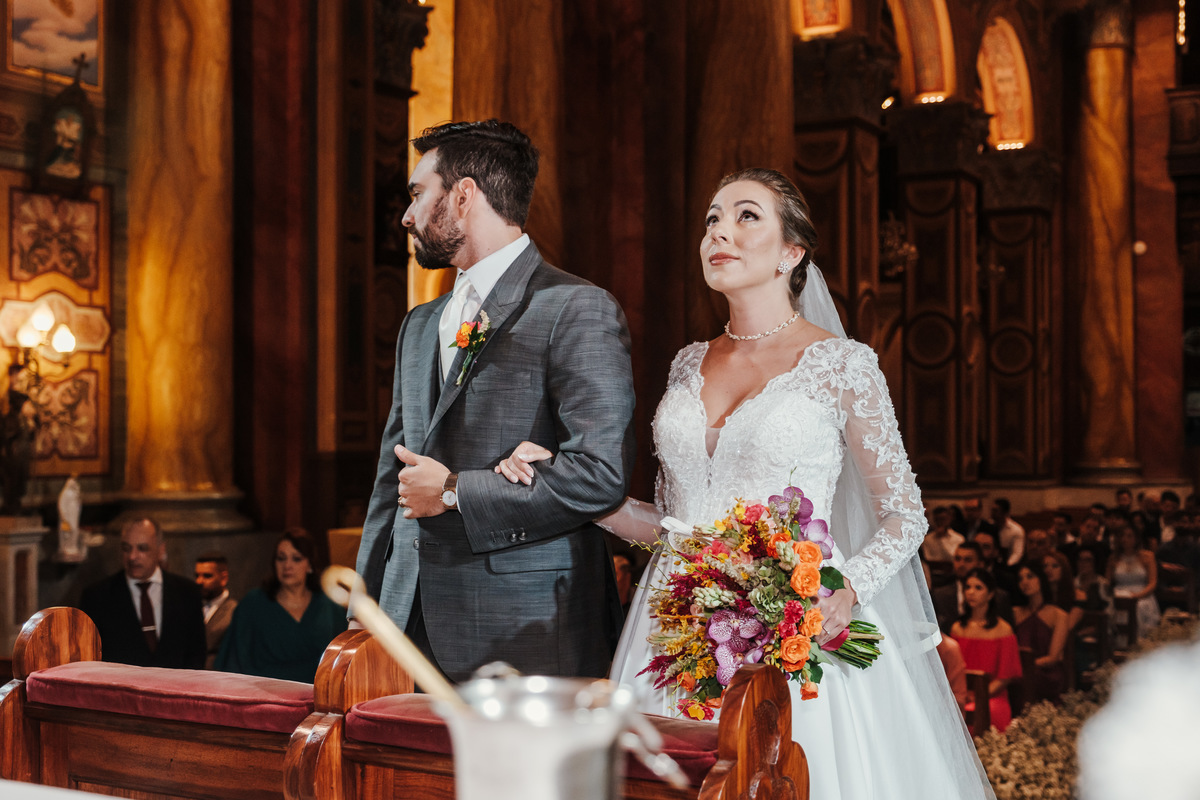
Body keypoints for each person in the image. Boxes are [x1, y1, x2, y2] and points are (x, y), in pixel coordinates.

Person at [499, 169, 993, 798]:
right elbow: (671, 526)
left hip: (796, 624)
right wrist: (566, 485)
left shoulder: (843, 365)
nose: (720, 233)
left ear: (793, 252)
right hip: (673, 626)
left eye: (746, 216)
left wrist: (843, 591)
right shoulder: (686, 362)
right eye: (711, 220)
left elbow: (905, 513)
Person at [355, 120, 635, 682]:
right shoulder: (419, 324)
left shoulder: (575, 308)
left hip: (526, 627)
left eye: (417, 194)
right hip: (407, 627)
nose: (406, 216)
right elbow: (393, 478)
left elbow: (599, 475)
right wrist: (364, 612)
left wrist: (458, 491)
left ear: (463, 195)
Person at [216, 529, 347, 682]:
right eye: (281, 558)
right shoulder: (253, 603)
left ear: (310, 565)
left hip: (320, 694)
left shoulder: (329, 605)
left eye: (296, 559)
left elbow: (343, 660)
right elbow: (233, 660)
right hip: (264, 695)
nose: (287, 566)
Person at [79, 518, 206, 669]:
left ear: (161, 550)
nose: (132, 556)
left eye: (142, 548)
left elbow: (197, 653)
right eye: (127, 548)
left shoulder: (187, 593)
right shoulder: (97, 596)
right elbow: (88, 659)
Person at [951, 568, 1022, 733]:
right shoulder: (958, 628)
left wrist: (979, 696)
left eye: (978, 588)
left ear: (990, 594)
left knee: (990, 710)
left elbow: (1005, 677)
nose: (971, 592)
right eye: (967, 587)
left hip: (992, 695)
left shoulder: (1003, 629)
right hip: (962, 693)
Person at [1012, 563, 1069, 705]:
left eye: (1030, 577)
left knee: (1027, 679)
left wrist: (1026, 666)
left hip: (1045, 672)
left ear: (1041, 579)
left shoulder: (1058, 615)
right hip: (1018, 670)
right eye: (1021, 579)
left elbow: (1053, 657)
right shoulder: (1015, 613)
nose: (1025, 582)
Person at [1107, 523, 1160, 641]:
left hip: (1142, 594)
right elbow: (1107, 583)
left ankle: (1136, 642)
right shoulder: (1113, 558)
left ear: (1136, 539)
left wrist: (1136, 596)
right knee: (1113, 608)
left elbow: (1152, 583)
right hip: (1119, 593)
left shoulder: (1147, 556)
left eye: (1129, 536)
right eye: (1122, 536)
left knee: (1138, 608)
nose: (1124, 539)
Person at [194, 553, 237, 669]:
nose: (199, 581)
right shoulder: (190, 605)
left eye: (207, 576)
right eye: (197, 575)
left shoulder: (235, 610)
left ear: (223, 578)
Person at [990, 498, 1025, 567]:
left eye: (996, 511)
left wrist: (1006, 566)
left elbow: (1017, 554)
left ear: (1005, 513)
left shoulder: (1016, 530)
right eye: (992, 510)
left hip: (1008, 565)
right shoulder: (989, 525)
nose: (992, 513)